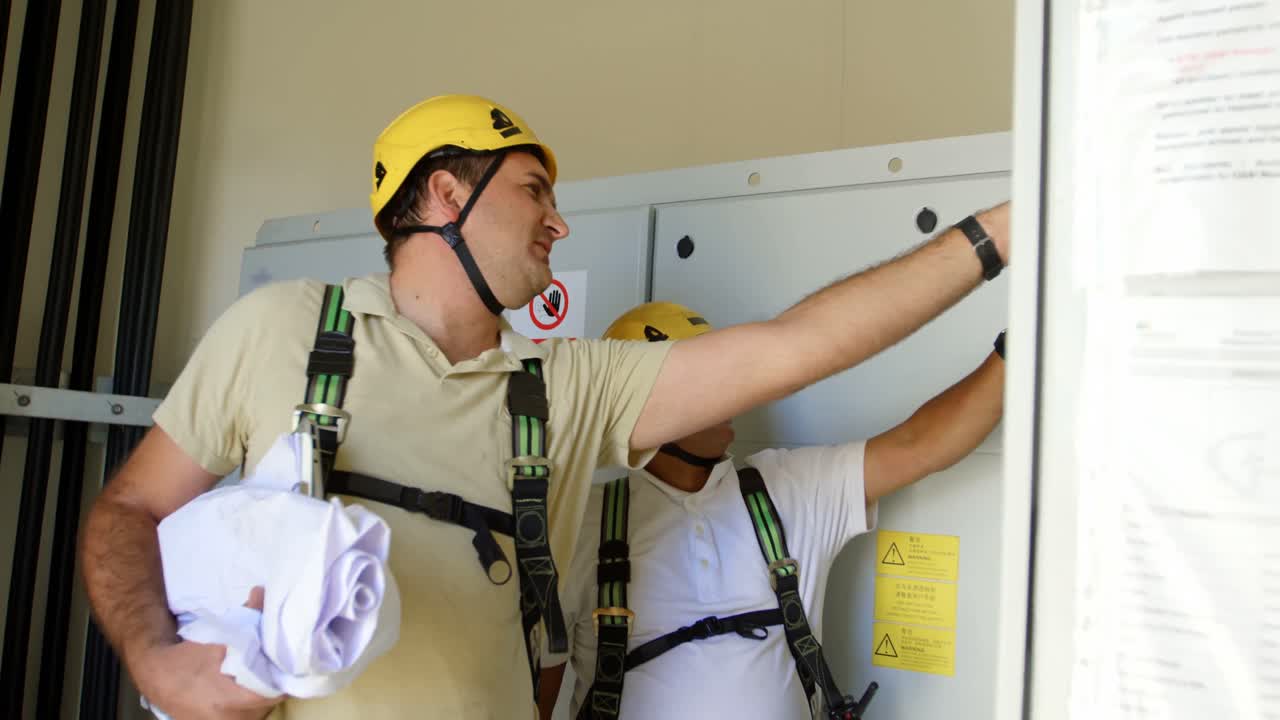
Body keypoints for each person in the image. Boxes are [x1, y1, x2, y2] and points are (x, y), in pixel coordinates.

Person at [79, 94, 1012, 720]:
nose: (558, 222)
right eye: (534, 191)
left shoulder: (566, 389)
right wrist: (153, 656)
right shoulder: (279, 330)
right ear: (443, 193)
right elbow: (129, 511)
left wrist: (1007, 232)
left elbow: (802, 345)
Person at [537, 302, 1006, 720]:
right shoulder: (580, 526)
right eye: (704, 383)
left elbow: (922, 444)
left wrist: (1015, 351)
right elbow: (536, 695)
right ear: (639, 408)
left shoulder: (788, 489)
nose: (732, 394)